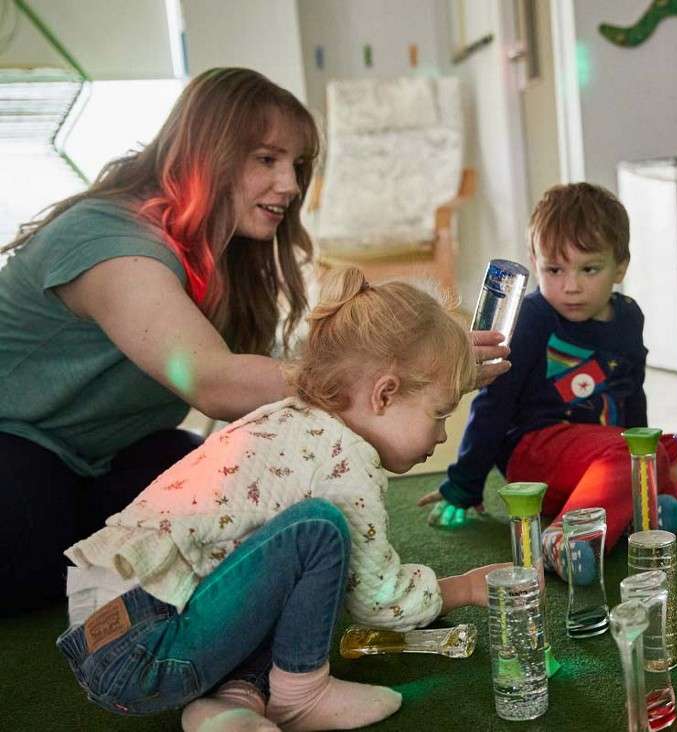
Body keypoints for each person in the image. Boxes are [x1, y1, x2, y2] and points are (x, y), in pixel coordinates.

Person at [0, 67, 509, 613]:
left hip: (106, 456)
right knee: (37, 567)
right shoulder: (109, 240)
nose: (290, 185)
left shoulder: (228, 261)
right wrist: (375, 374)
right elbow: (213, 379)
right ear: (205, 152)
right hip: (18, 444)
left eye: (297, 165)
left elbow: (270, 393)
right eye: (266, 159)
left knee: (210, 502)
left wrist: (418, 363)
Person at [57, 268, 505, 731]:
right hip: (143, 644)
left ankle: (234, 702)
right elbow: (377, 599)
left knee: (279, 559)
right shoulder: (344, 456)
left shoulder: (287, 419)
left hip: (105, 637)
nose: (442, 434)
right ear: (384, 394)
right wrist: (465, 588)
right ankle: (302, 695)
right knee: (318, 531)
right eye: (439, 413)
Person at [418, 183, 677, 582]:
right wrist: (465, 482)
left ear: (620, 266)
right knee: (630, 455)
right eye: (555, 269)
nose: (571, 286)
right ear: (534, 262)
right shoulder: (531, 319)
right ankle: (562, 540)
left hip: (606, 457)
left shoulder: (629, 318)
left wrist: (647, 450)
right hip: (536, 453)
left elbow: (632, 395)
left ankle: (642, 505)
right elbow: (493, 403)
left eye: (589, 269)